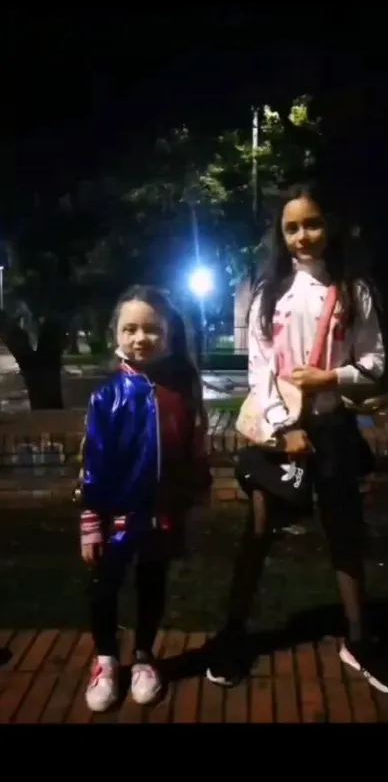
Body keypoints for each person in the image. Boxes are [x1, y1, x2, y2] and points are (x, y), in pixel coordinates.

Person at [206, 182, 388, 695]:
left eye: (311, 223)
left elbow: (376, 360)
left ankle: (358, 640)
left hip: (333, 427)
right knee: (259, 529)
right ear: (280, 233)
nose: (302, 236)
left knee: (345, 529)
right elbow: (259, 369)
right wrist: (285, 426)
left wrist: (331, 379)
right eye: (291, 227)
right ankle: (233, 635)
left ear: (329, 225)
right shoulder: (267, 290)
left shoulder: (354, 288)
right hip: (277, 432)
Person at [76, 284, 211, 713]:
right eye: (130, 328)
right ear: (114, 334)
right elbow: (94, 463)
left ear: (169, 333)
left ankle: (144, 657)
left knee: (152, 584)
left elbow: (195, 446)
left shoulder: (182, 391)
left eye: (152, 329)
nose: (141, 338)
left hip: (161, 515)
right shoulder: (107, 396)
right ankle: (105, 659)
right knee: (105, 588)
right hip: (115, 517)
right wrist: (92, 521)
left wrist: (196, 491)